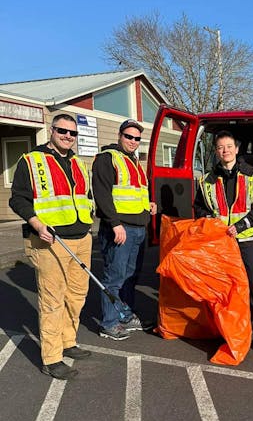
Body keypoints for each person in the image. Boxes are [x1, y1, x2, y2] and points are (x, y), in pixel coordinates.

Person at [9, 113, 93, 379]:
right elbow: (18, 199)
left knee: (77, 295)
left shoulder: (79, 163)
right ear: (51, 130)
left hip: (82, 237)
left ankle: (68, 341)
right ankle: (52, 358)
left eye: (72, 133)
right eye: (62, 131)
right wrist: (37, 224)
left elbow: (86, 196)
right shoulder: (32, 161)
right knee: (52, 299)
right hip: (50, 240)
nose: (68, 136)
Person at [193, 130, 253, 354]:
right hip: (220, 245)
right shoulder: (206, 179)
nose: (225, 151)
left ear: (236, 149)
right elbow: (199, 208)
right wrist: (209, 220)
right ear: (216, 151)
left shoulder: (252, 176)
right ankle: (226, 332)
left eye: (229, 146)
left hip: (246, 241)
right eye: (220, 147)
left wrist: (240, 226)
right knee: (223, 291)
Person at [92, 119, 157, 340]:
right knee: (115, 276)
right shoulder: (107, 159)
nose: (133, 141)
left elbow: (133, 193)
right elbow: (102, 195)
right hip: (120, 229)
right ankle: (109, 323)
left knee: (130, 276)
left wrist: (147, 206)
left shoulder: (134, 161)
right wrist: (115, 223)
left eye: (137, 138)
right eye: (128, 136)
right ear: (120, 135)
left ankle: (125, 315)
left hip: (138, 228)